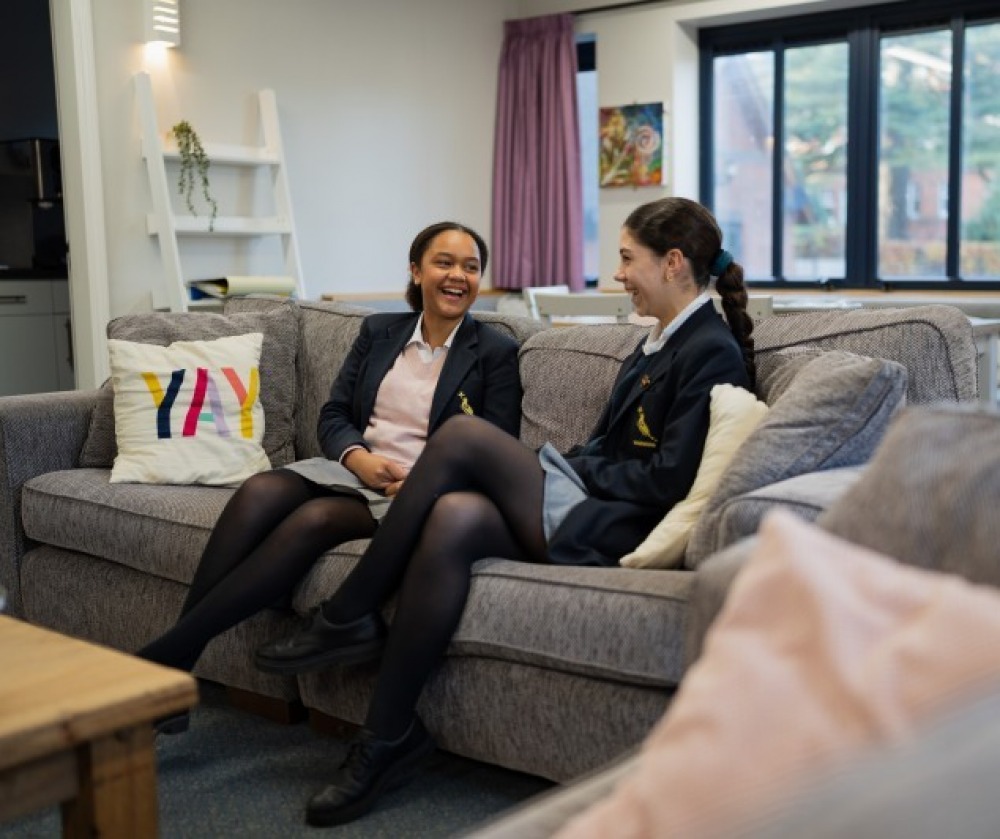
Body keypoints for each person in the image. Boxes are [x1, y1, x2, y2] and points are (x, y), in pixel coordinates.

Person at [253, 196, 758, 827]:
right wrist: (571, 461)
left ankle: (350, 612)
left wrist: (563, 465)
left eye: (627, 259)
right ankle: (387, 739)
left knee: (463, 438)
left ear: (674, 262)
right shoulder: (660, 339)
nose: (619, 274)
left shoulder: (708, 349)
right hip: (590, 498)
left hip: (613, 524)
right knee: (453, 516)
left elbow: (664, 479)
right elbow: (609, 443)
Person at [136, 221, 522, 730]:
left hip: (412, 493)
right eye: (444, 263)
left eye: (471, 267)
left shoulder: (494, 352)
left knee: (315, 520)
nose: (458, 276)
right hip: (356, 468)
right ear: (416, 270)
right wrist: (357, 458)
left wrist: (424, 483)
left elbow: (493, 446)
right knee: (260, 490)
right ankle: (179, 662)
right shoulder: (379, 332)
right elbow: (334, 414)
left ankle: (168, 660)